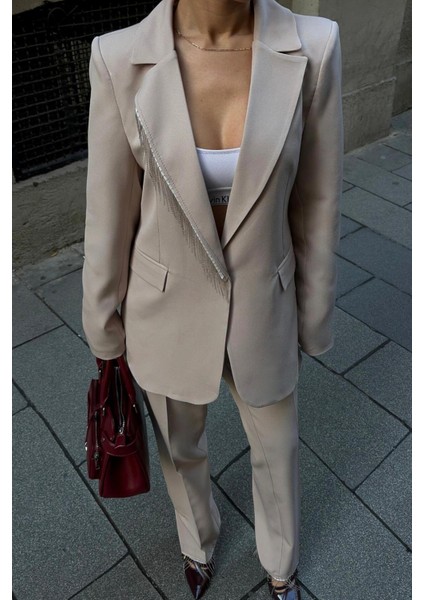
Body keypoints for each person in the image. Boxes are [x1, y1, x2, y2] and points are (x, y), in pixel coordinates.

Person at [81, 0, 343, 597]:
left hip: (264, 303)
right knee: (180, 449)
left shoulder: (315, 46)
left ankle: (281, 565)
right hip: (164, 307)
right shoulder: (118, 58)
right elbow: (109, 211)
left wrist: (314, 314)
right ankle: (197, 543)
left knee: (278, 449)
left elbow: (318, 200)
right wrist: (103, 321)